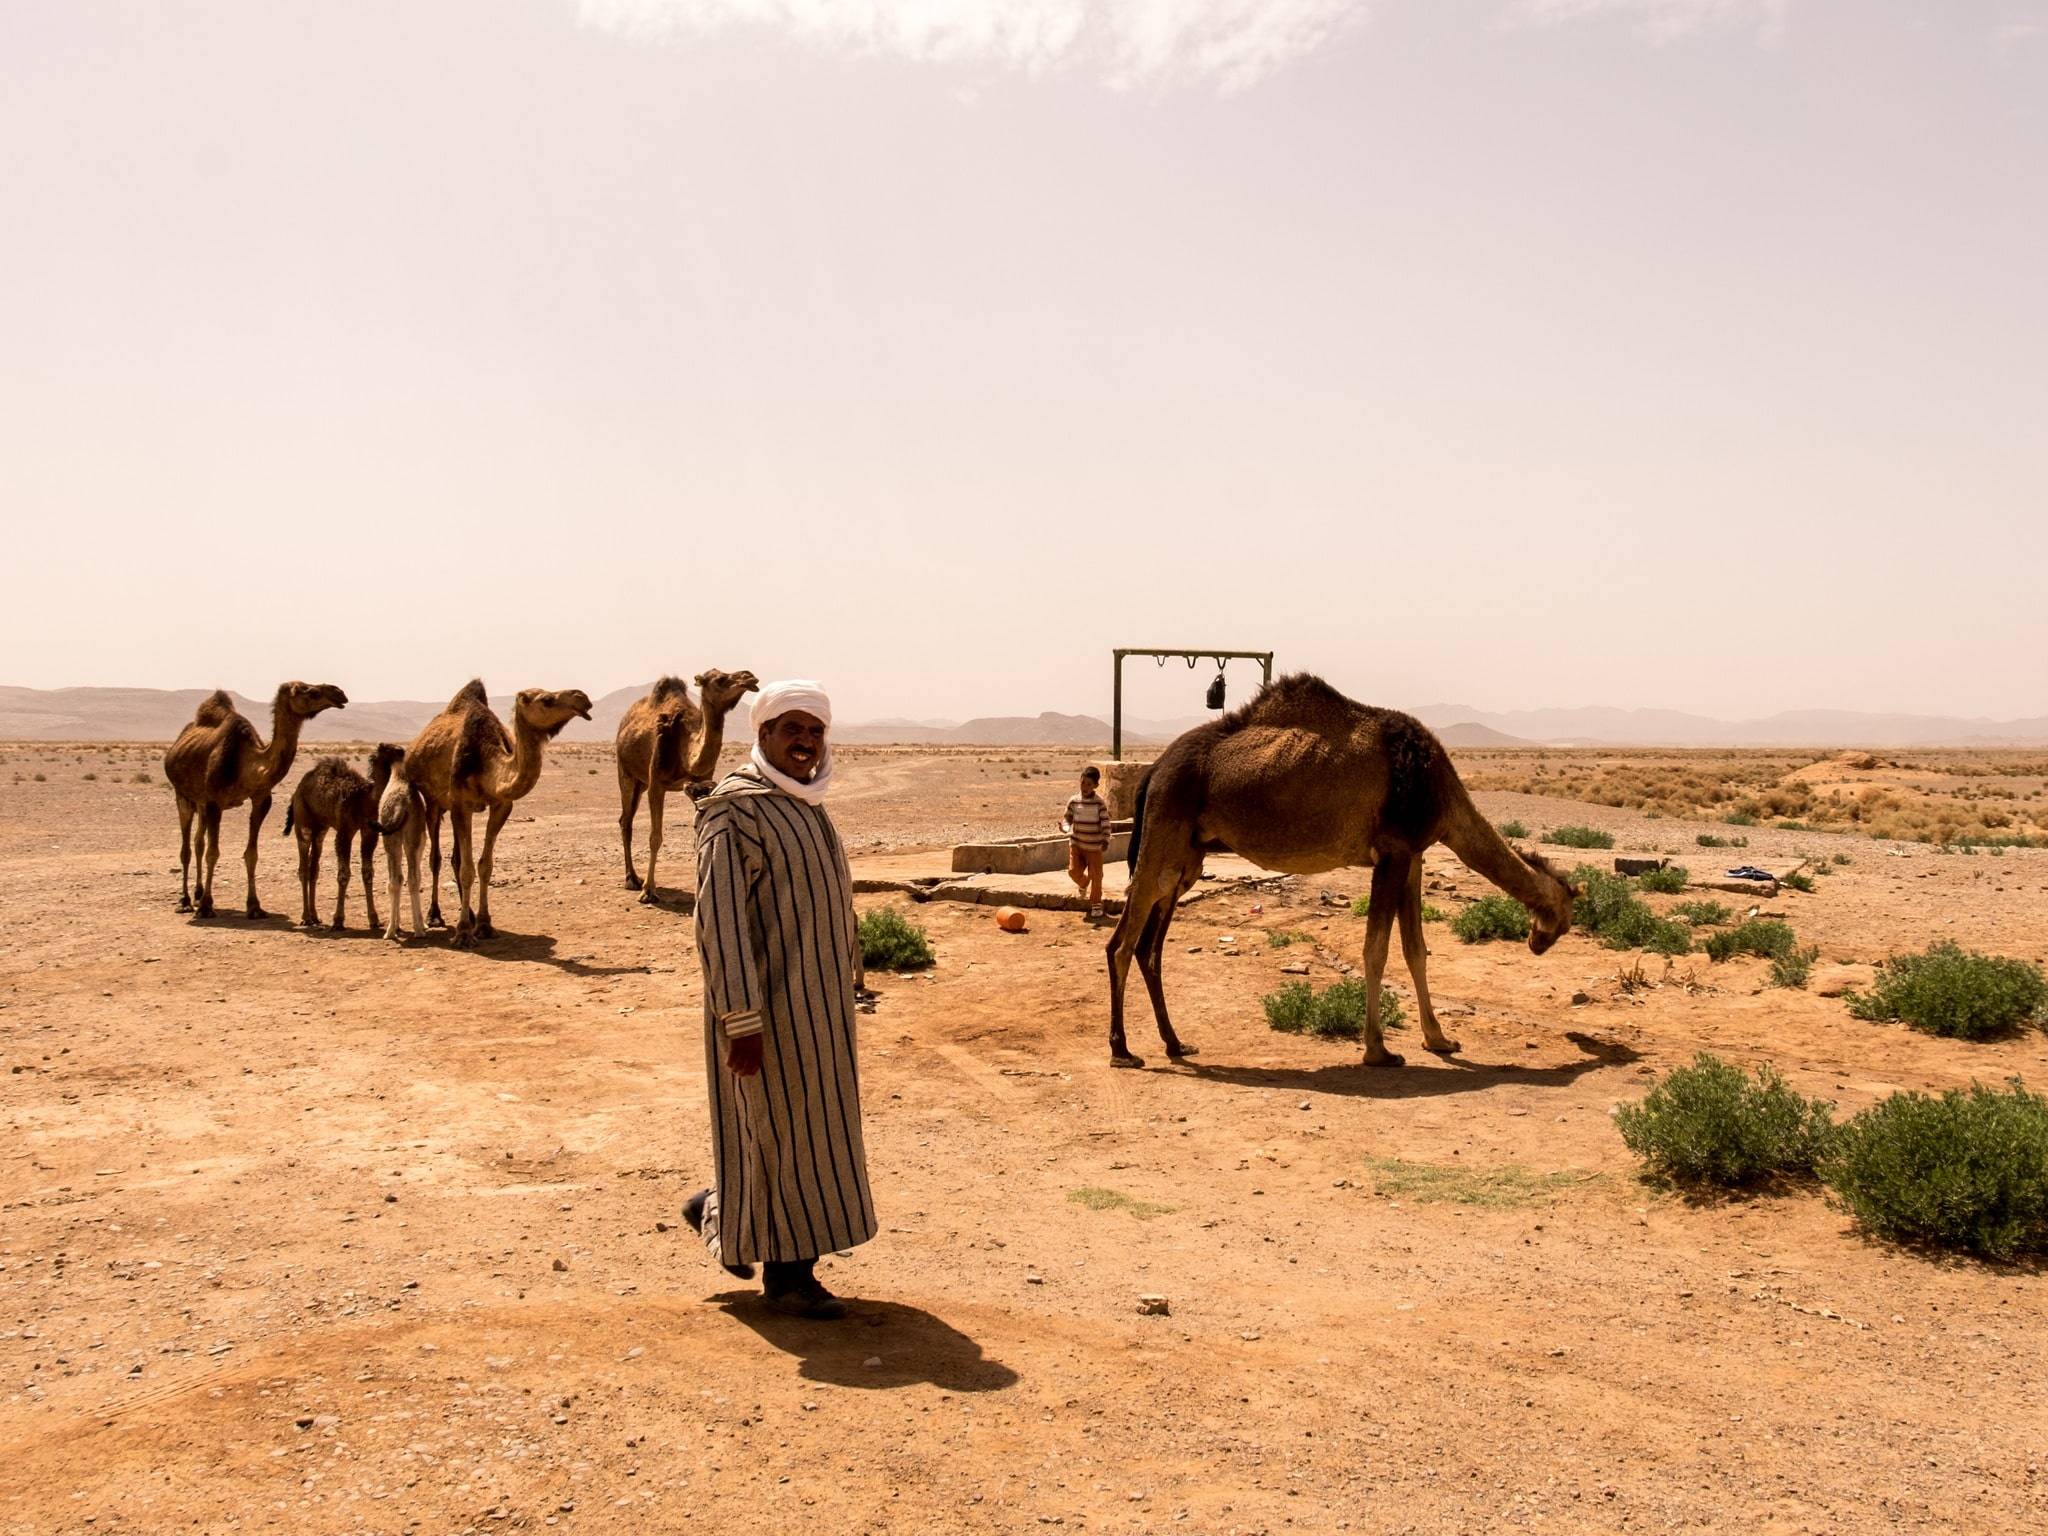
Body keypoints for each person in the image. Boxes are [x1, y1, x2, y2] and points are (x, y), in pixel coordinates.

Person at [680, 680, 875, 1320]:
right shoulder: (734, 811)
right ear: (762, 734)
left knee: (809, 1133)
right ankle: (788, 1278)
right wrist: (741, 1019)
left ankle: (717, 1211)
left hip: (820, 1006)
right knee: (780, 1131)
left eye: (815, 731)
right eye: (792, 729)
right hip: (766, 1009)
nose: (806, 742)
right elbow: (720, 922)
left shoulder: (806, 803)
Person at [1062, 764, 1113, 919]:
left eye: (1089, 784)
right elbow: (1067, 818)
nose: (1085, 787)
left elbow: (1105, 822)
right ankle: (1083, 883)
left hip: (1094, 846)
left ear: (1096, 785)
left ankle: (1096, 904)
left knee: (1096, 876)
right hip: (1077, 844)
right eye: (1083, 783)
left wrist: (1105, 839)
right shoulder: (1074, 801)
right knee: (1073, 871)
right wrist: (1065, 827)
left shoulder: (1099, 803)